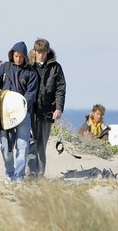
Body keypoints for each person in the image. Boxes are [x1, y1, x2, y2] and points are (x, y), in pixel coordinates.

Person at [0, 41, 38, 182]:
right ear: (11, 55)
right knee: (6, 148)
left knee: (22, 146)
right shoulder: (4, 68)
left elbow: (31, 94)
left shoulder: (31, 72)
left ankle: (18, 178)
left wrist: (19, 107)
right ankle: (9, 173)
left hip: (23, 114)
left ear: (25, 57)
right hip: (4, 115)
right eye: (16, 55)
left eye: (21, 56)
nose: (18, 59)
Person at [26, 38, 66, 178]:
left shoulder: (56, 67)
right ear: (34, 51)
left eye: (43, 52)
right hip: (29, 111)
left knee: (41, 144)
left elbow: (61, 89)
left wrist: (58, 108)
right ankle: (30, 173)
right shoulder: (28, 65)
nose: (41, 55)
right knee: (30, 142)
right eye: (38, 52)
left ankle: (40, 173)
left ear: (47, 52)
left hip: (47, 111)